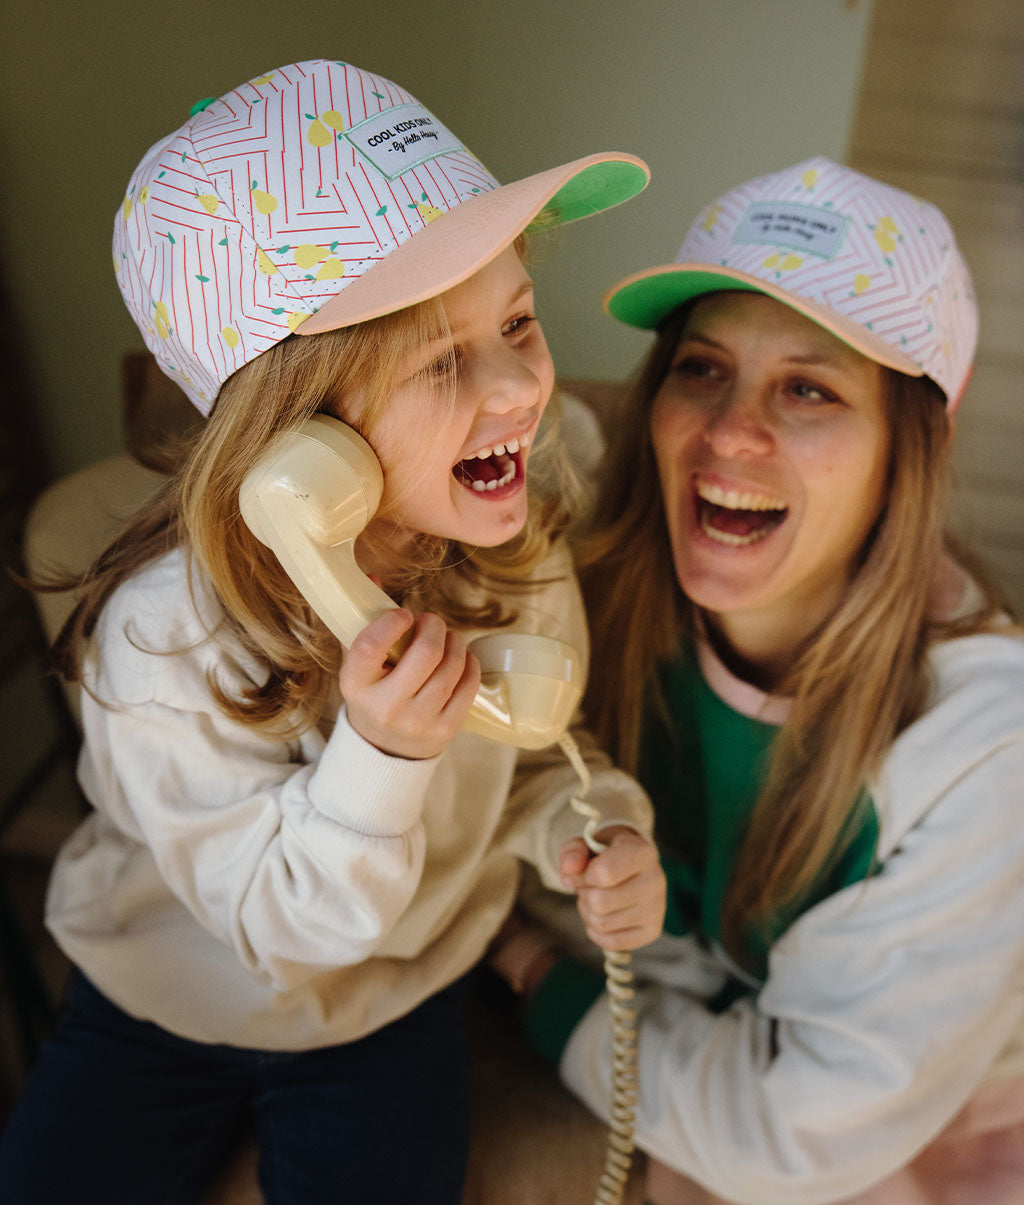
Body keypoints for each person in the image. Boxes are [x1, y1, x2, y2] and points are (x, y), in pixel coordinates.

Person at [0, 59, 667, 1204]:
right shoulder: (164, 640)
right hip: (170, 991)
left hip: (393, 994)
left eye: (516, 318)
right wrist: (387, 754)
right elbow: (283, 927)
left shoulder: (517, 550)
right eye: (444, 359)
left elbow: (526, 771)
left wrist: (592, 822)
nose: (518, 385)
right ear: (294, 432)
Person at [491, 157, 1024, 1204]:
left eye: (809, 388)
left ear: (907, 447)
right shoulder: (588, 585)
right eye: (702, 367)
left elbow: (793, 1136)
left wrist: (528, 973)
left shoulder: (982, 747)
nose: (731, 432)